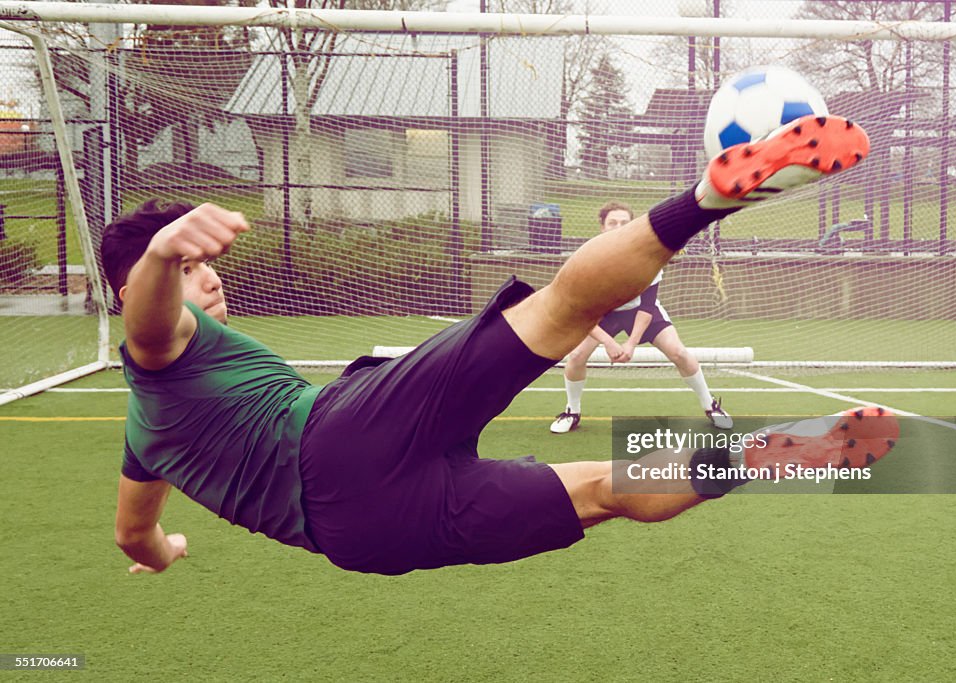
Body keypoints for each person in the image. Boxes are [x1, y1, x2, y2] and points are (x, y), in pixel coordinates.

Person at [104, 113, 895, 577]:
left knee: (607, 490)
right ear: (141, 286)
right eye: (190, 270)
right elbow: (148, 323)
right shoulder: (165, 342)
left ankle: (784, 452)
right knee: (557, 309)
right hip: (339, 436)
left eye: (205, 266)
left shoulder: (146, 437)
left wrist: (165, 548)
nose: (205, 280)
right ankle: (705, 201)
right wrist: (163, 253)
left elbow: (132, 533)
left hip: (357, 536)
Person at [550, 200, 732, 435]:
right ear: (602, 227)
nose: (618, 227)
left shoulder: (648, 257)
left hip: (640, 312)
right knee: (576, 356)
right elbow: (583, 313)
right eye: (612, 222)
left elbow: (647, 306)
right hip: (601, 314)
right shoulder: (588, 260)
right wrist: (608, 342)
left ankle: (711, 406)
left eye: (624, 223)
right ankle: (572, 412)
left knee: (678, 352)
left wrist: (631, 343)